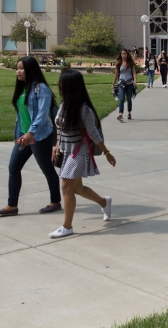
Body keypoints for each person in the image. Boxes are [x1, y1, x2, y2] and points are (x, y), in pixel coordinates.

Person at [49, 70, 116, 238]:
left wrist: (107, 152)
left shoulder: (84, 110)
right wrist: (56, 145)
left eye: (64, 83)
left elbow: (93, 133)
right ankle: (104, 202)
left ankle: (67, 226)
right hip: (67, 151)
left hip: (79, 152)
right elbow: (59, 127)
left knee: (66, 187)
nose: (61, 86)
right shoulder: (65, 105)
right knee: (77, 188)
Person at [0, 56, 61, 217]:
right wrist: (24, 134)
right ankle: (12, 206)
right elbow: (22, 115)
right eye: (17, 68)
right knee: (13, 168)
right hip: (24, 136)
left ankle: (55, 201)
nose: (18, 71)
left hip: (40, 137)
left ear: (30, 69)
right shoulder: (23, 88)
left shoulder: (41, 88)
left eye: (22, 68)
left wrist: (31, 132)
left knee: (47, 169)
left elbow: (42, 114)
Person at [112, 48, 137, 121]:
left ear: (127, 54)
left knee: (129, 98)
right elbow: (116, 74)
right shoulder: (118, 63)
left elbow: (134, 73)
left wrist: (135, 80)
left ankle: (129, 113)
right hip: (121, 83)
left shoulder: (131, 63)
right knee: (121, 98)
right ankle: (120, 114)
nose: (124, 55)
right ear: (120, 54)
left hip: (129, 83)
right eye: (122, 53)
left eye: (125, 53)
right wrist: (113, 84)